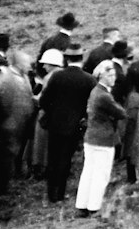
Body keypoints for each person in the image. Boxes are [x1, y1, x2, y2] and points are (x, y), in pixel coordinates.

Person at [36, 48, 94, 204]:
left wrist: (52, 113)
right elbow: (91, 104)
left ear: (66, 59)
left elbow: (44, 101)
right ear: (81, 59)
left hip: (55, 124)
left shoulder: (56, 77)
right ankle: (60, 194)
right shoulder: (89, 79)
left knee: (53, 158)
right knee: (66, 159)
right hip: (75, 126)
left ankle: (51, 193)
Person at [77, 60, 127, 217]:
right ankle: (95, 207)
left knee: (89, 172)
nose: (113, 78)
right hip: (103, 139)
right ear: (102, 76)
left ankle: (83, 205)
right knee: (101, 174)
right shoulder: (105, 95)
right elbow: (121, 113)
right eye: (110, 75)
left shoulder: (95, 92)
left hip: (91, 137)